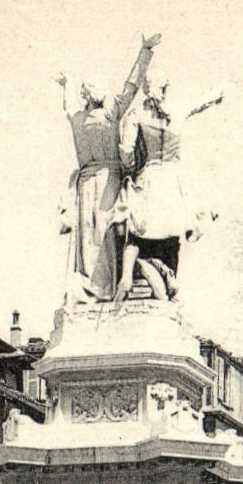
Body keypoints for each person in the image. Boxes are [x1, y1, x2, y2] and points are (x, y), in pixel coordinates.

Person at [56, 34, 160, 301]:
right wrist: (145, 50)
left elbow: (130, 86)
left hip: (97, 180)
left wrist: (65, 84)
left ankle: (101, 288)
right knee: (96, 236)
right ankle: (100, 288)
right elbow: (130, 87)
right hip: (100, 181)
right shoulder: (96, 116)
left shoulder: (90, 117)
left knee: (98, 235)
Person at [113, 78, 223, 303]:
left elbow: (126, 150)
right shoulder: (178, 110)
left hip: (150, 177)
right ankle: (169, 281)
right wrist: (215, 95)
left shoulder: (137, 114)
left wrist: (133, 168)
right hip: (174, 181)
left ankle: (133, 278)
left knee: (136, 232)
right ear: (165, 88)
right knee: (172, 237)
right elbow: (200, 103)